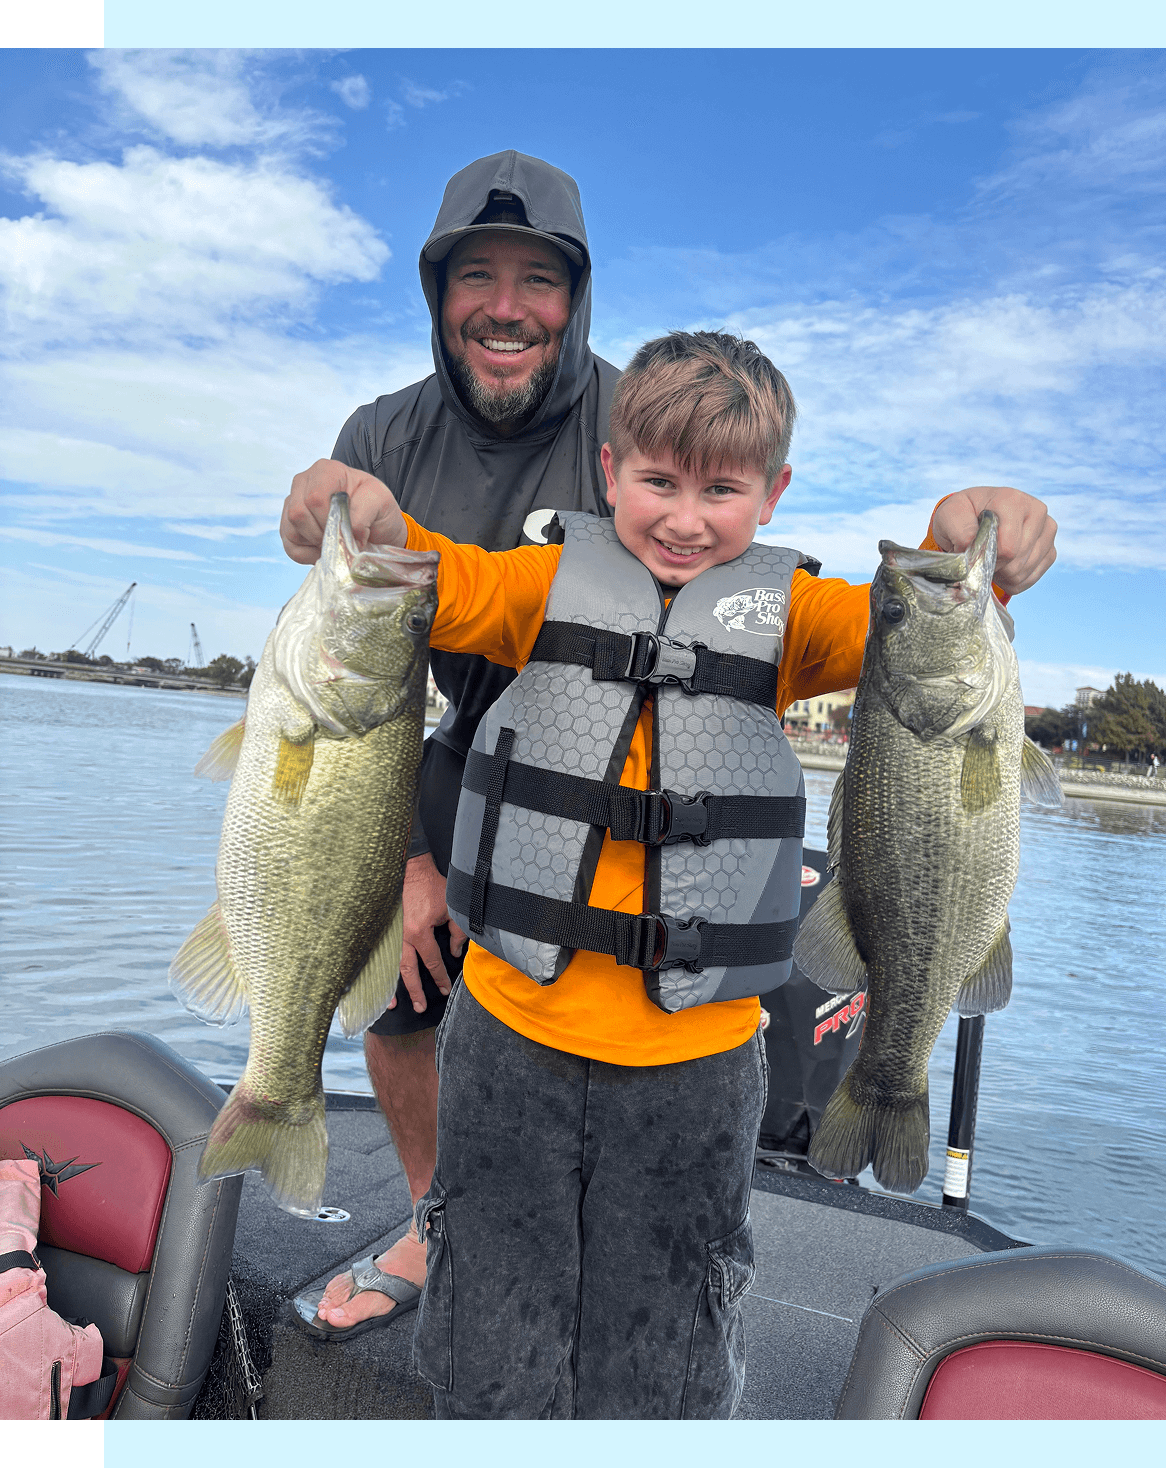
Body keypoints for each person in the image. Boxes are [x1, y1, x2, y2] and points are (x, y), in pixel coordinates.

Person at [281, 330, 1058, 1416]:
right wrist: (358, 507)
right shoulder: (538, 585)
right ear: (609, 472)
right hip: (508, 1044)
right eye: (657, 481)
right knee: (491, 1311)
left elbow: (919, 620)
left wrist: (965, 524)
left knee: (672, 1333)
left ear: (773, 495)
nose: (685, 517)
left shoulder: (795, 618)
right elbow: (433, 576)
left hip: (698, 1066)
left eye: (722, 489)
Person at [282, 151, 619, 1336]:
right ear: (438, 295)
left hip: (610, 761)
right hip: (458, 740)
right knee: (396, 982)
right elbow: (368, 699)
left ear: (576, 300)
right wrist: (412, 866)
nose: (506, 307)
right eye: (476, 274)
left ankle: (587, 1243)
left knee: (580, 1023)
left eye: (540, 279)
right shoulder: (383, 430)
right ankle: (437, 1223)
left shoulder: (633, 423)